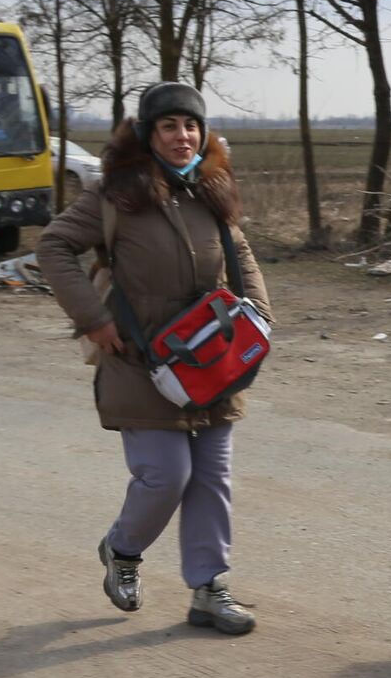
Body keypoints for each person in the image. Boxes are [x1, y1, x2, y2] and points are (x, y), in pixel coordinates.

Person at [35, 82, 270, 636]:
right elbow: (53, 246)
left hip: (214, 358)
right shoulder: (116, 195)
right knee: (166, 474)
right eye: (169, 126)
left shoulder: (212, 188)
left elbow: (240, 252)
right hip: (140, 359)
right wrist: (93, 319)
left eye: (190, 126)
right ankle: (123, 549)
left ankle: (210, 589)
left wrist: (259, 310)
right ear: (148, 134)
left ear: (203, 133)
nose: (182, 135)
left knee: (213, 476)